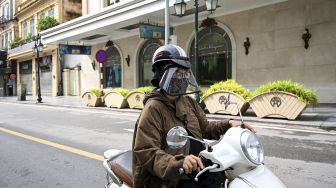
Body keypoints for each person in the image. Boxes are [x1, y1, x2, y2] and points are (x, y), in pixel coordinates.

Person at [132, 44, 255, 188]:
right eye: (177, 73)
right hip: (170, 178)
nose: (182, 77)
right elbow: (146, 151)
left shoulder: (188, 102)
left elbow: (206, 128)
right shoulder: (153, 107)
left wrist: (229, 124)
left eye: (185, 73)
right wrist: (178, 162)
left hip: (199, 167)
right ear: (161, 73)